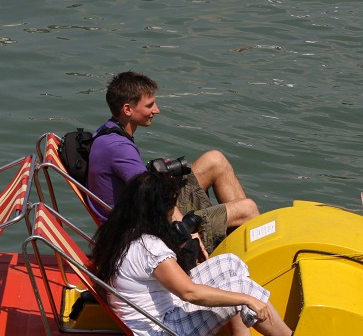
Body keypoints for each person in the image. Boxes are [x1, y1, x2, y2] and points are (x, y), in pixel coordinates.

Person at [90, 170, 292, 336]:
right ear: (161, 210)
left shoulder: (122, 230)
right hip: (164, 332)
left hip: (155, 316)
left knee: (231, 263)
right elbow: (189, 293)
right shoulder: (150, 247)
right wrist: (248, 299)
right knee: (243, 289)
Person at [86, 71, 259, 253]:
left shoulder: (107, 131)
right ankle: (255, 256)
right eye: (150, 105)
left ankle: (236, 242)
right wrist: (185, 232)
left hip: (138, 211)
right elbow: (154, 198)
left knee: (215, 160)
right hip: (142, 229)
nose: (156, 110)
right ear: (128, 109)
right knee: (247, 209)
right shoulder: (120, 148)